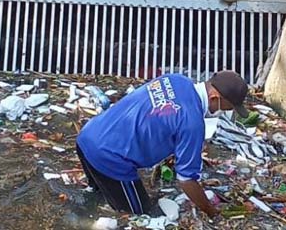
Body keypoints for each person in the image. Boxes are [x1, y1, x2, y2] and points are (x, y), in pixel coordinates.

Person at [76, 71, 250, 217]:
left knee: (97, 195)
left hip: (89, 135)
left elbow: (160, 117)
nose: (226, 111)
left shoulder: (176, 79)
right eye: (228, 107)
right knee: (138, 217)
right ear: (214, 97)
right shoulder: (192, 123)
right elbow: (187, 179)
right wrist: (211, 212)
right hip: (109, 158)